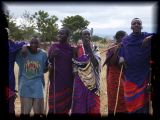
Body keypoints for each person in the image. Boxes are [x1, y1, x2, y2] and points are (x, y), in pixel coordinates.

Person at [119, 18, 154, 114]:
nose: (136, 25)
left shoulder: (146, 35)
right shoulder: (125, 40)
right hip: (130, 77)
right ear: (131, 26)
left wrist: (149, 38)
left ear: (141, 26)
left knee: (143, 105)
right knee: (131, 104)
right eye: (134, 23)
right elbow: (121, 51)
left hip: (144, 76)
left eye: (139, 23)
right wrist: (121, 56)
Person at [71, 29, 101, 116]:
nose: (86, 36)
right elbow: (74, 63)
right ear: (82, 37)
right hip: (80, 81)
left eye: (88, 34)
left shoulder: (95, 48)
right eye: (84, 34)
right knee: (79, 104)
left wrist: (89, 50)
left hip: (93, 82)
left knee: (93, 105)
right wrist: (74, 69)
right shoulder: (77, 49)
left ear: (90, 36)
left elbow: (96, 64)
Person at [16, 37, 48, 116]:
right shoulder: (23, 52)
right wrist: (24, 46)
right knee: (25, 111)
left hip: (38, 84)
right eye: (32, 43)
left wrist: (49, 67)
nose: (33, 44)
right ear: (29, 43)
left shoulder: (43, 54)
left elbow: (44, 69)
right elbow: (14, 49)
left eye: (36, 43)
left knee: (38, 111)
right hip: (25, 84)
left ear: (39, 44)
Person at [48, 27, 74, 115]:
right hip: (56, 83)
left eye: (62, 33)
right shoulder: (54, 47)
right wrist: (51, 56)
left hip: (68, 83)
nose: (59, 35)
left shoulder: (71, 49)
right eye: (58, 33)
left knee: (65, 109)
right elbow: (47, 63)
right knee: (53, 108)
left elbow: (74, 65)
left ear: (67, 36)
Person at [102, 30, 127, 114]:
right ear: (120, 38)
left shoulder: (126, 47)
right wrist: (116, 50)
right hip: (114, 77)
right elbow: (111, 62)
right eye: (125, 37)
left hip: (124, 76)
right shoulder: (112, 47)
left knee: (124, 98)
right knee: (114, 97)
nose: (127, 39)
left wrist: (124, 61)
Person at [8, 28, 29, 115]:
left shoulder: (12, 45)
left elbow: (25, 43)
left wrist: (24, 46)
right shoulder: (12, 45)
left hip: (9, 76)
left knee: (9, 99)